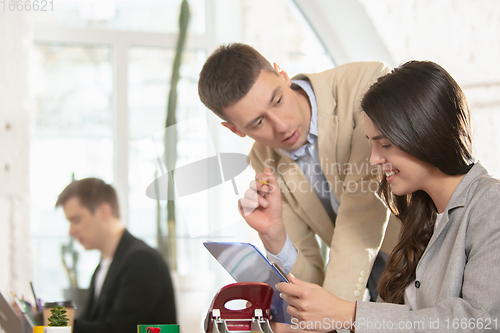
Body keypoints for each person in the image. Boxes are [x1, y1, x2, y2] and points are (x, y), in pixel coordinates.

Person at [275, 60, 500, 332]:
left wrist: (349, 313)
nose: (374, 159)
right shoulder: (419, 216)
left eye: (386, 144)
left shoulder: (490, 203)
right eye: (371, 144)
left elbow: (481, 322)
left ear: (427, 132)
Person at [198, 43, 400, 302]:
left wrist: (327, 320)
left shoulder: (365, 86)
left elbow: (363, 213)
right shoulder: (264, 160)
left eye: (278, 100)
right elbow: (313, 280)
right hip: (374, 280)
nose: (281, 126)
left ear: (282, 74)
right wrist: (275, 235)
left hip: (430, 254)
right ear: (235, 130)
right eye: (258, 123)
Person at [55, 178, 177, 333]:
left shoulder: (142, 261)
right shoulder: (104, 266)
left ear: (104, 212)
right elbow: (90, 322)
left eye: (76, 220)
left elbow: (118, 330)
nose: (71, 231)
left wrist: (53, 321)